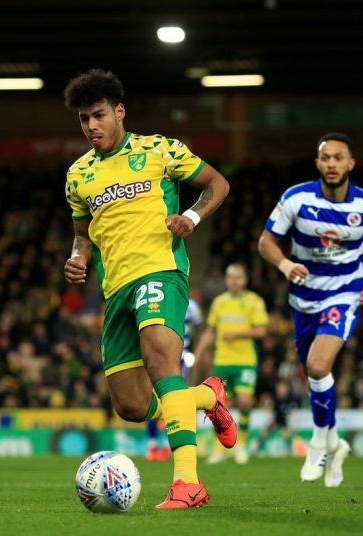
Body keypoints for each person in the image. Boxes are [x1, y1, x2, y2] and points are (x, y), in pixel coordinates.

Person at [63, 68, 234, 509]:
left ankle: (187, 484)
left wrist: (191, 219)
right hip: (115, 288)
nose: (91, 126)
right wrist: (79, 258)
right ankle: (205, 397)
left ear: (119, 112)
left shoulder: (159, 150)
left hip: (161, 272)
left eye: (98, 115)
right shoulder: (78, 175)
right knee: (133, 406)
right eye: (84, 119)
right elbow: (83, 235)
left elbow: (218, 183)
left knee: (161, 359)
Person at [258, 132, 363, 487]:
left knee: (319, 366)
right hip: (303, 299)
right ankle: (336, 445)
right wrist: (286, 266)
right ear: (317, 163)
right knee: (314, 375)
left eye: (338, 158)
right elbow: (266, 242)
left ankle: (318, 443)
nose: (332, 164)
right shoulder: (296, 198)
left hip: (344, 294)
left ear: (351, 163)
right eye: (325, 158)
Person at [193, 262, 268, 464]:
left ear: (245, 280)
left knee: (244, 401)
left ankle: (241, 445)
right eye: (230, 277)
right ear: (226, 280)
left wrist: (237, 334)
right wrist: (199, 353)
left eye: (238, 277)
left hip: (245, 361)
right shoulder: (219, 302)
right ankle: (219, 448)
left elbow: (262, 330)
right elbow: (210, 331)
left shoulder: (254, 301)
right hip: (222, 361)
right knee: (219, 407)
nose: (234, 281)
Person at [146, 297, 204, 462]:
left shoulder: (192, 306)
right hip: (157, 356)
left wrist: (196, 351)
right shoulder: (156, 298)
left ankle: (166, 444)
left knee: (173, 398)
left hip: (181, 356)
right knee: (153, 397)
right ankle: (151, 444)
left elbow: (198, 328)